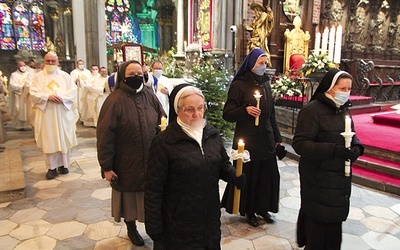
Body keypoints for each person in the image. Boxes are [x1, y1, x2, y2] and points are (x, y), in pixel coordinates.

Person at [145, 85, 246, 249]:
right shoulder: (164, 142)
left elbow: (221, 164)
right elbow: (153, 188)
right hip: (179, 222)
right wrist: (153, 224)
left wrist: (233, 175)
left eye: (200, 108)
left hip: (209, 217)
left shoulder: (211, 134)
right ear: (178, 110)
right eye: (189, 109)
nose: (197, 114)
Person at [292, 68, 364, 249]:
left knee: (333, 225)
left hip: (338, 178)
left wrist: (357, 147)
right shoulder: (312, 110)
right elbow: (300, 144)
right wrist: (333, 150)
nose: (346, 93)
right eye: (342, 89)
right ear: (330, 88)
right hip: (318, 177)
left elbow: (352, 134)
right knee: (319, 226)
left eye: (349, 89)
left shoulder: (343, 110)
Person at [96, 60, 165, 246]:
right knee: (129, 198)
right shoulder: (114, 100)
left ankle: (155, 227)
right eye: (131, 74)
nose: (137, 77)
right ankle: (131, 227)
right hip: (126, 160)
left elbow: (162, 119)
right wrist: (107, 167)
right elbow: (104, 136)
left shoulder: (150, 95)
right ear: (122, 77)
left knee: (151, 195)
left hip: (151, 158)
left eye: (139, 73)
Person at [221, 48, 283, 227]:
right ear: (251, 64)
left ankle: (263, 208)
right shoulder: (239, 85)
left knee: (267, 175)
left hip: (266, 138)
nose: (263, 67)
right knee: (251, 176)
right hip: (247, 140)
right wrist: (245, 110)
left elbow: (271, 114)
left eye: (265, 63)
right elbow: (228, 114)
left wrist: (277, 137)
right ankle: (249, 210)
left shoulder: (265, 83)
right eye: (260, 63)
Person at [29, 52, 78, 180]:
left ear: (57, 62)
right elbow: (33, 93)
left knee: (63, 138)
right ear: (44, 62)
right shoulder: (38, 77)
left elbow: (73, 91)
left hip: (62, 112)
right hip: (47, 114)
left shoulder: (65, 76)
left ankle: (63, 165)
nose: (50, 63)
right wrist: (47, 97)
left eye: (53, 61)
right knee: (49, 139)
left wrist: (63, 98)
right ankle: (51, 168)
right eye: (48, 61)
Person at [9, 61, 33, 130]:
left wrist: (28, 88)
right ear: (17, 66)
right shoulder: (14, 75)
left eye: (24, 65)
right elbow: (12, 85)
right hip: (19, 96)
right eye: (21, 65)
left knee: (28, 110)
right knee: (19, 111)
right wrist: (21, 88)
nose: (22, 67)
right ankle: (19, 126)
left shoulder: (29, 74)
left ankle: (29, 125)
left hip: (27, 96)